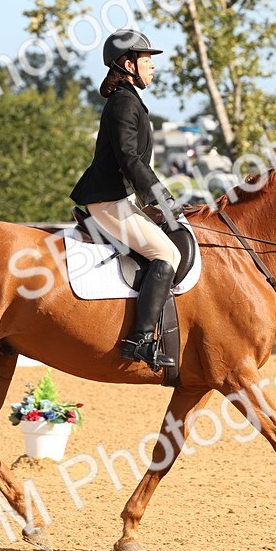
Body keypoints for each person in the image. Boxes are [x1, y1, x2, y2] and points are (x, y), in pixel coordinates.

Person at [70, 29, 181, 369]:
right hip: (106, 200)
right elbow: (130, 160)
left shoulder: (129, 100)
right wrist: (163, 200)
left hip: (118, 198)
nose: (152, 68)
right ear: (128, 63)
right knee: (167, 253)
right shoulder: (123, 103)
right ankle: (141, 340)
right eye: (147, 61)